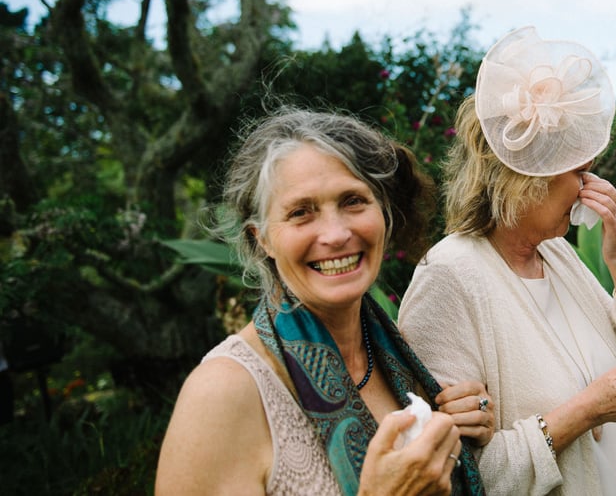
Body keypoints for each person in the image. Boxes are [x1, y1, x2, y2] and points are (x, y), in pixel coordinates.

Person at [398, 26, 616, 496]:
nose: (590, 186)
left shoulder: (558, 255)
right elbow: (460, 472)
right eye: (579, 171)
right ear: (527, 178)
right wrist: (587, 410)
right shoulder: (448, 277)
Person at [155, 108, 491, 495]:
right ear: (261, 238)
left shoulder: (400, 357)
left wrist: (470, 422)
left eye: (352, 201)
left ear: (384, 213)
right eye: (301, 213)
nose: (335, 234)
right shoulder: (223, 393)